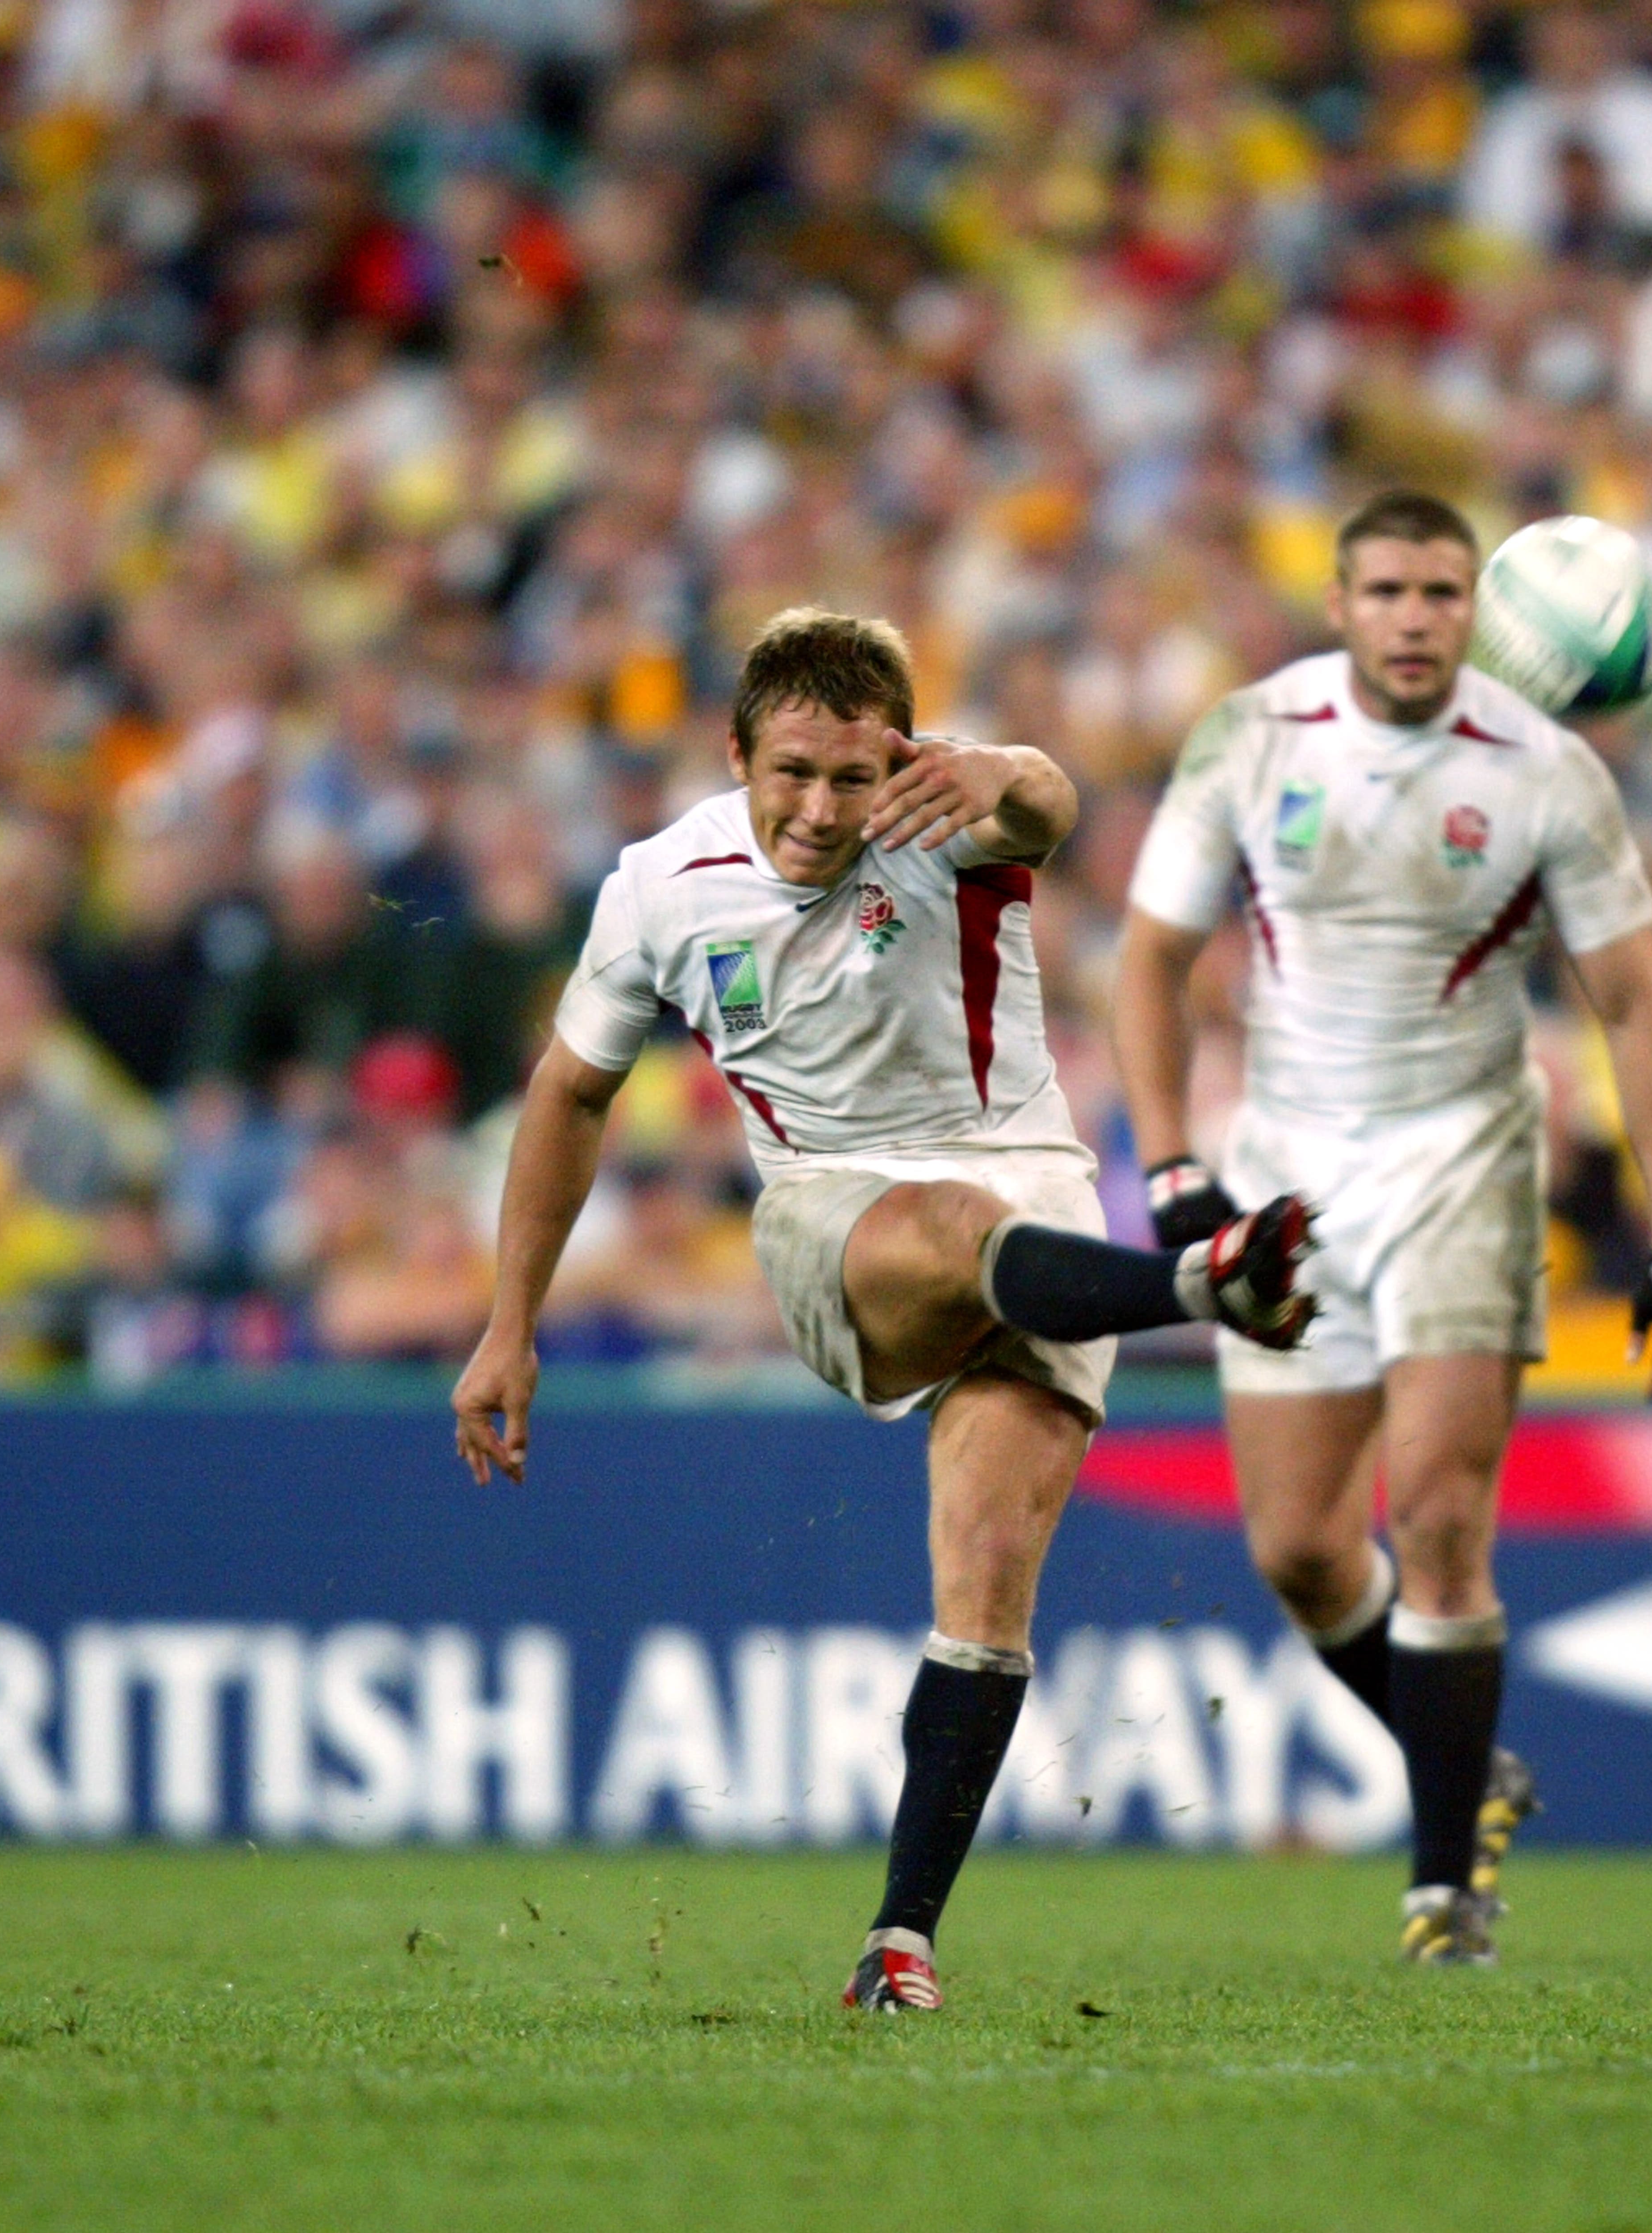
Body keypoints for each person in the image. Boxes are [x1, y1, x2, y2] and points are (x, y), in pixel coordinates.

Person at [452, 607, 1317, 2015]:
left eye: (852, 779)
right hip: (831, 1216)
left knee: (985, 1583)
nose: (817, 809)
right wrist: (509, 1324)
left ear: (899, 762)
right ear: (734, 754)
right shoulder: (661, 888)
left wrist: (1008, 770)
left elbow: (1045, 796)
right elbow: (568, 1093)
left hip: (1024, 1187)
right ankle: (1199, 1288)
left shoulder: (955, 818)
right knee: (960, 1232)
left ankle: (899, 1944)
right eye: (788, 772)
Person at [1113, 490, 1652, 1966]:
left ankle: (1444, 1887)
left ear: (1477, 613)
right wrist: (1177, 1164)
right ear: (1338, 602)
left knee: (1441, 1516)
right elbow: (1148, 959)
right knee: (1302, 1550)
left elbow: (1635, 1003)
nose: (1409, 617)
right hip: (1285, 1181)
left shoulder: (1546, 775)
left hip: (1463, 1164)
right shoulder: (1252, 739)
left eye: (1440, 593)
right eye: (1383, 590)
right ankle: (1469, 1767)